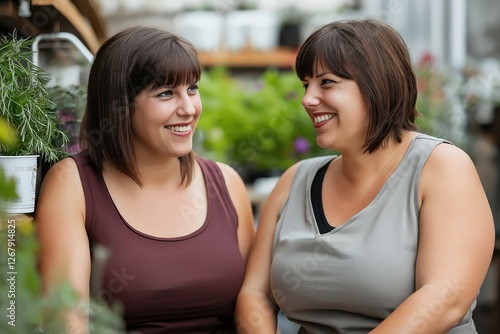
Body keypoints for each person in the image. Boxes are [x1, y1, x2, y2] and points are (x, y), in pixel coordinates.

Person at [235, 18, 495, 334]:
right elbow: (255, 293)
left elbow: (445, 297)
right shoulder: (296, 180)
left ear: (378, 84)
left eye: (326, 82)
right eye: (306, 85)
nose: (307, 99)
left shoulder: (441, 167)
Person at [35, 26, 255, 334]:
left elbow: (253, 301)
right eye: (166, 93)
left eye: (192, 88)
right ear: (120, 106)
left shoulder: (226, 183)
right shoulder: (72, 184)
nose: (189, 108)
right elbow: (66, 319)